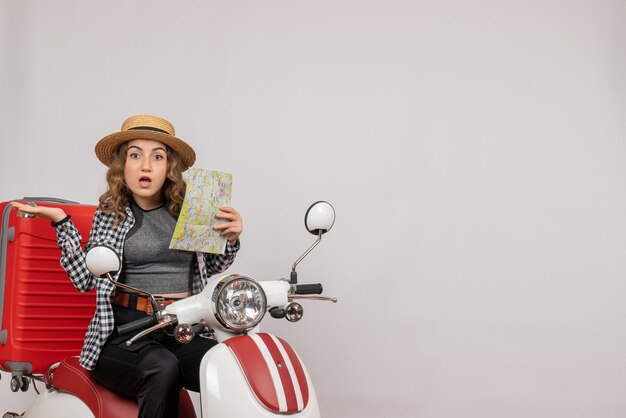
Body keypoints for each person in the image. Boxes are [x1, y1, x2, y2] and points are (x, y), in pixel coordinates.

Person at [11, 115, 243, 418]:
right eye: (136, 154)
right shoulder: (111, 216)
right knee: (162, 367)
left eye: (157, 156)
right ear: (123, 166)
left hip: (183, 329)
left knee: (230, 365)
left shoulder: (194, 211)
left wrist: (230, 237)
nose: (146, 165)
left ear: (168, 168)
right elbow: (85, 279)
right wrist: (62, 223)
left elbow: (212, 266)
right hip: (123, 336)